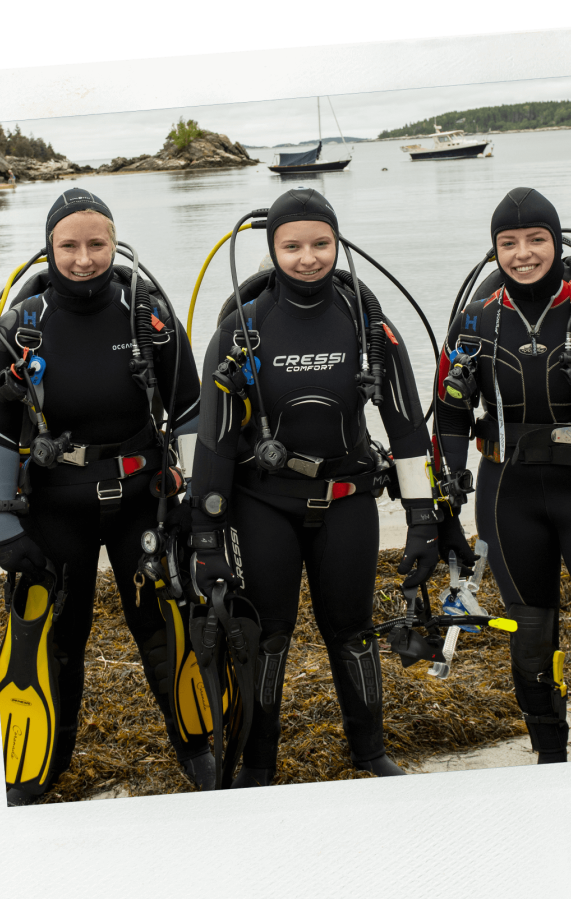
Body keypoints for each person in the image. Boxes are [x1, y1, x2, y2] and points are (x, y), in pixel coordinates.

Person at [188, 187, 471, 787]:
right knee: (268, 635)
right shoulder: (243, 329)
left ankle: (369, 752)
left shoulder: (368, 324)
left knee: (352, 628)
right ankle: (259, 763)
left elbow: (404, 425)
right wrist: (206, 533)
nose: (308, 257)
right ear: (272, 249)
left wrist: (423, 518)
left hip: (348, 501)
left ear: (337, 244)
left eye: (321, 243)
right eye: (292, 246)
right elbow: (213, 443)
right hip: (264, 503)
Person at [0, 187, 212, 803]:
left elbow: (189, 416)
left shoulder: (148, 318)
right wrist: (3, 528)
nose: (83, 258)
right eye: (69, 245)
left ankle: (197, 749)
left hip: (144, 498)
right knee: (55, 640)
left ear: (114, 243)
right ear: (49, 247)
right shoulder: (18, 331)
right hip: (55, 507)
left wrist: (196, 504)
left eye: (96, 243)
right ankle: (39, 770)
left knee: (168, 626)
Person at [435, 186, 571, 762]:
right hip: (509, 497)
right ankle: (552, 766)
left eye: (536, 239)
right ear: (494, 249)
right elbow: (451, 417)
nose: (523, 253)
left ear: (556, 242)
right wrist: (443, 501)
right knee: (531, 643)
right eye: (509, 243)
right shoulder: (475, 321)